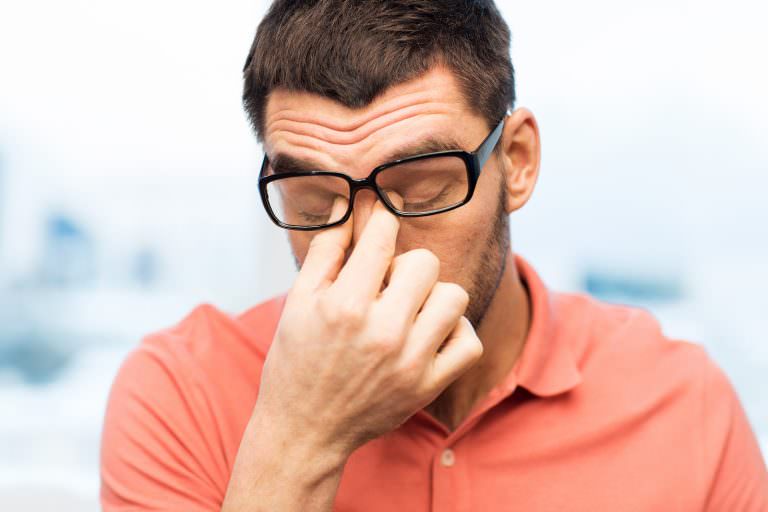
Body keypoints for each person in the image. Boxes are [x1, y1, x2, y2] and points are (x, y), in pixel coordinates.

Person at [100, 1, 768, 510]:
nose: (370, 244)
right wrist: (299, 438)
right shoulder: (180, 394)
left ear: (517, 161)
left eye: (420, 188)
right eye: (312, 199)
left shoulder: (683, 405)